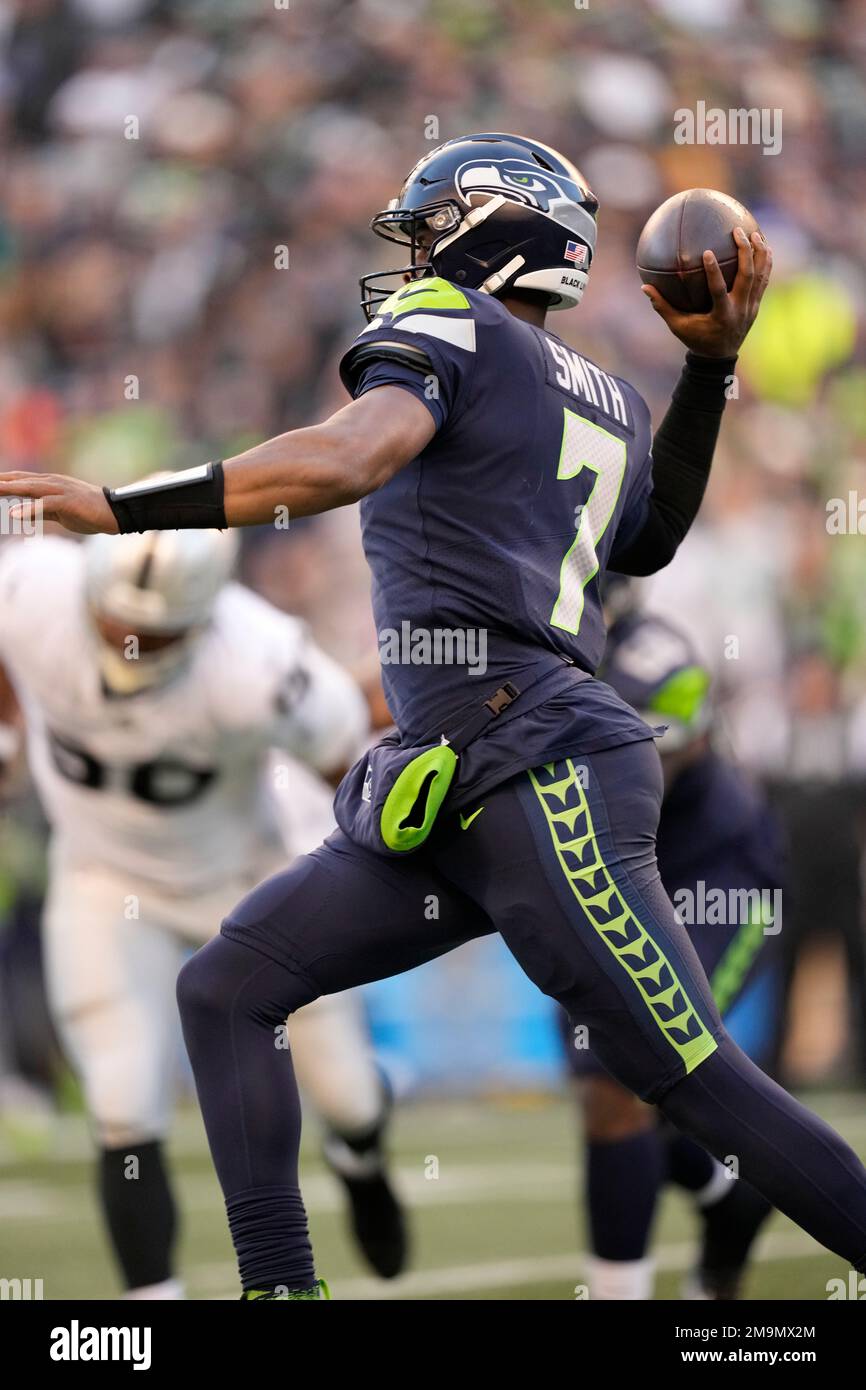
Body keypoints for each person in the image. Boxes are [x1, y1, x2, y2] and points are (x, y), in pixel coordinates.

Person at [3, 132, 866, 1303]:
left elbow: (357, 456)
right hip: (454, 772)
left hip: (538, 762)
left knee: (693, 1079)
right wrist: (707, 373)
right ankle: (280, 1292)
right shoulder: (607, 394)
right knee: (226, 987)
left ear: (491, 230)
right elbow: (649, 537)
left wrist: (124, 504)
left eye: (427, 228)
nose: (410, 255)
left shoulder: (453, 328)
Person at [0, 528, 407, 1296]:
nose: (124, 640)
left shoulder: (258, 661)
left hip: (245, 882)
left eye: (148, 632)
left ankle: (361, 1153)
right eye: (113, 620)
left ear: (200, 621)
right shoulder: (31, 590)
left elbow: (351, 770)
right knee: (122, 1103)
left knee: (347, 1095)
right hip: (105, 875)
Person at [562, 599, 783, 1299]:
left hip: (712, 876)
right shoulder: (519, 639)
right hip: (610, 873)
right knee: (609, 1090)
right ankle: (732, 1188)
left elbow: (680, 742)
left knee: (626, 1082)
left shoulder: (651, 656)